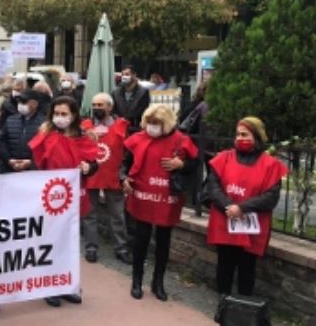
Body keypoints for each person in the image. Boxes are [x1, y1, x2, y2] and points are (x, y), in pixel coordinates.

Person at [122, 104, 198, 301]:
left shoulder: (181, 140)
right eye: (149, 122)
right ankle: (137, 281)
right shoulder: (138, 138)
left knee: (163, 241)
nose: (152, 127)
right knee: (141, 240)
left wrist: (182, 164)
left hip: (167, 197)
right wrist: (124, 178)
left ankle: (158, 282)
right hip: (142, 195)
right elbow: (125, 164)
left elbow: (195, 163)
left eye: (156, 123)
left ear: (167, 123)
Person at [205, 117, 287, 298]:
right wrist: (229, 206)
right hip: (226, 221)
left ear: (256, 137)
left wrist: (242, 208)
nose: (239, 138)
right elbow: (213, 187)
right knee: (225, 266)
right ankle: (223, 303)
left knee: (247, 268)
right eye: (237, 134)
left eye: (245, 135)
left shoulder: (270, 165)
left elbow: (271, 197)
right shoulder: (223, 158)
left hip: (251, 226)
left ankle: (243, 306)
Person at [29, 95, 99, 307]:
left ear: (74, 115)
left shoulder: (83, 137)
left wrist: (88, 167)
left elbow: (93, 163)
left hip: (74, 198)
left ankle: (68, 284)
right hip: (51, 198)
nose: (59, 117)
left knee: (70, 243)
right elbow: (37, 162)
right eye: (56, 113)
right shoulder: (45, 136)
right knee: (52, 242)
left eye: (64, 114)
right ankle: (50, 285)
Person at [80, 92, 132, 264]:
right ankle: (91, 248)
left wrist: (124, 174)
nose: (96, 108)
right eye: (94, 105)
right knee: (89, 214)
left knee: (117, 215)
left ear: (110, 107)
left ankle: (121, 248)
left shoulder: (121, 125)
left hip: (113, 176)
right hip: (90, 175)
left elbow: (128, 153)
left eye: (100, 105)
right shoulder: (84, 126)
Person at [0, 89, 45, 173]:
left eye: (24, 102)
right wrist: (8, 160)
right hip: (9, 169)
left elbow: (44, 148)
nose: (20, 104)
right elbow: (2, 142)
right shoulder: (10, 120)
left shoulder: (44, 124)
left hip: (33, 172)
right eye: (19, 102)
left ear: (34, 104)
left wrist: (31, 163)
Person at [112, 65, 150, 135]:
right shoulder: (116, 92)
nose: (124, 77)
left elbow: (144, 110)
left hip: (136, 129)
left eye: (127, 74)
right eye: (123, 75)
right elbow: (113, 110)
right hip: (120, 128)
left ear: (134, 75)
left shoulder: (143, 92)